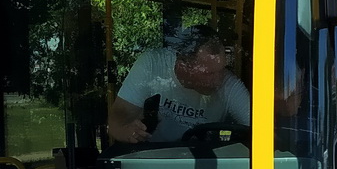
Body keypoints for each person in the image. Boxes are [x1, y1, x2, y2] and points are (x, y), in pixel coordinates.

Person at [107, 25, 251, 144]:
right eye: (209, 73)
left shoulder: (229, 85)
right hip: (154, 160)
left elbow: (260, 131)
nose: (219, 79)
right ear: (183, 66)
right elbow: (117, 120)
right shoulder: (152, 65)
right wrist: (127, 131)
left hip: (203, 165)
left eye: (222, 69)